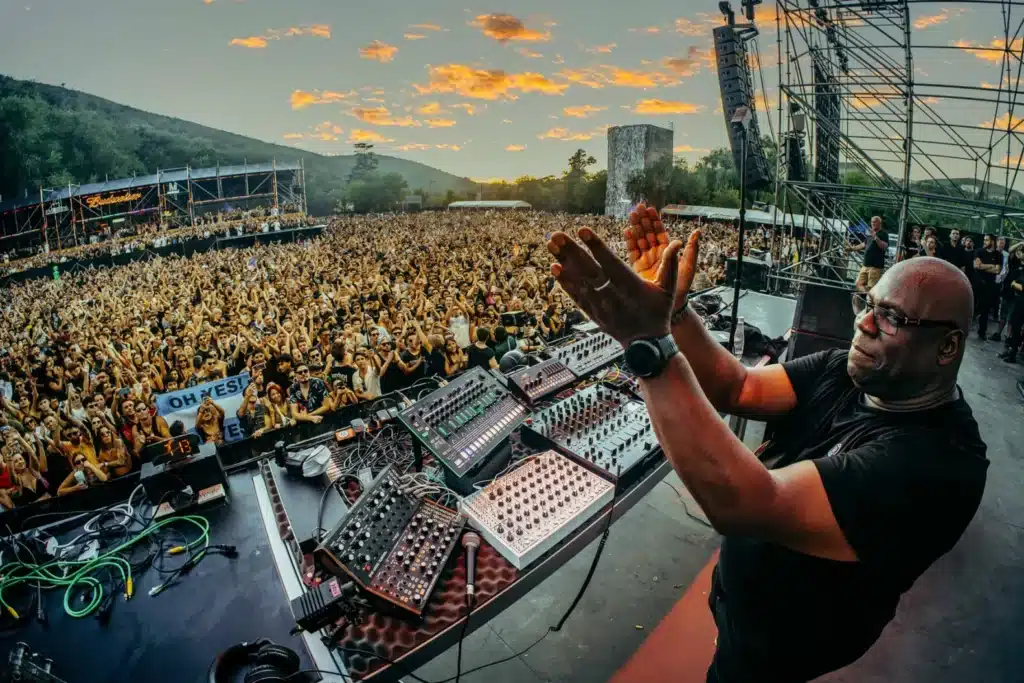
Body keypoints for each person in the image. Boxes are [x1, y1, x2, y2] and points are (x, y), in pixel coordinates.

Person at [548, 201, 987, 683]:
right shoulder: (850, 371)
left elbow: (745, 504)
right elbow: (738, 387)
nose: (863, 323)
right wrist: (673, 310)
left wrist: (648, 346)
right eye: (866, 302)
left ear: (947, 347)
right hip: (747, 616)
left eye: (892, 317)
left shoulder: (937, 466)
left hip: (781, 652)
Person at [973, 234, 1003, 341]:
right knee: (973, 306)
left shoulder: (999, 255)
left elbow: (997, 270)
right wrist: (991, 265)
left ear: (993, 241)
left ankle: (982, 332)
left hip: (989, 285)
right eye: (984, 240)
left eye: (987, 240)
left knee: (985, 310)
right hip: (977, 283)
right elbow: (977, 266)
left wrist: (983, 266)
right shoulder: (979, 251)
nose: (985, 241)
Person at [850, 216, 888, 292]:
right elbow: (863, 245)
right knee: (858, 284)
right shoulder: (870, 234)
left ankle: (868, 300)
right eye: (872, 222)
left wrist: (876, 238)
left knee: (871, 287)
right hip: (865, 265)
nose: (873, 223)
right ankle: (867, 296)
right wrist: (851, 248)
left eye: (875, 222)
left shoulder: (884, 234)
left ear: (879, 223)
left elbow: (884, 247)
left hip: (875, 267)